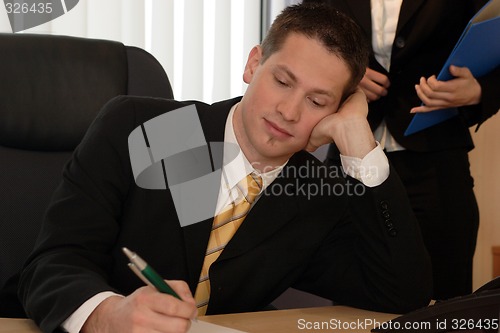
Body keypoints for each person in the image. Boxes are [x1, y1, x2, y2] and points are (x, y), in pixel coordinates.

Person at [18, 3, 432, 333]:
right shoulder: (144, 129)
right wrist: (107, 318)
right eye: (283, 82)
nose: (288, 111)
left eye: (317, 101)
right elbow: (53, 263)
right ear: (254, 65)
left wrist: (360, 141)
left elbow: (401, 294)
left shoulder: (316, 190)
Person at [304, 0, 500, 300]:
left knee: (443, 295)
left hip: (436, 161)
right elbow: (304, 37)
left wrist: (480, 90)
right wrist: (345, 75)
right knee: (351, 298)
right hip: (349, 156)